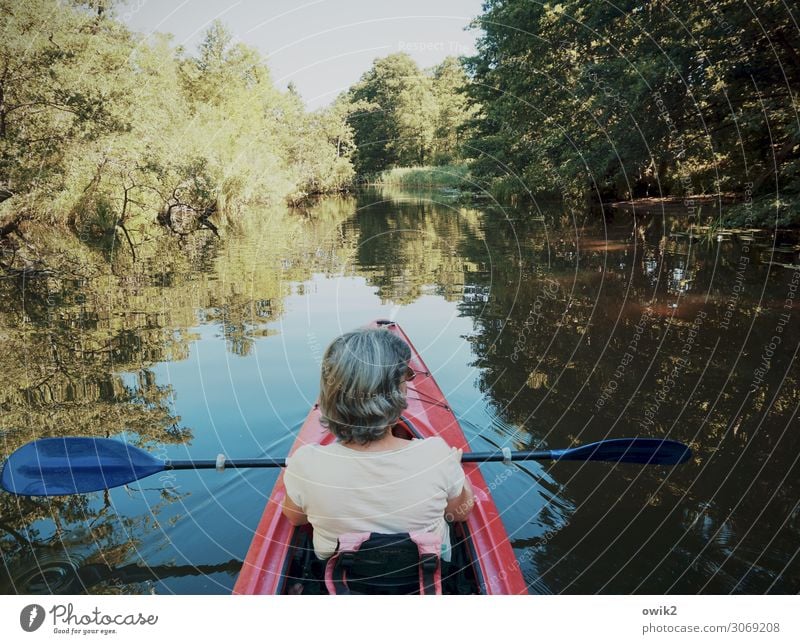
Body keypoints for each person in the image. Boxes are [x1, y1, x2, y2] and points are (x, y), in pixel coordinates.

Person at [281, 327, 474, 564]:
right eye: (407, 377)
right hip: (426, 573)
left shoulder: (305, 463)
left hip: (341, 579)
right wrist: (458, 472)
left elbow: (295, 519)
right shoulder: (436, 455)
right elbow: (461, 513)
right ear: (397, 396)